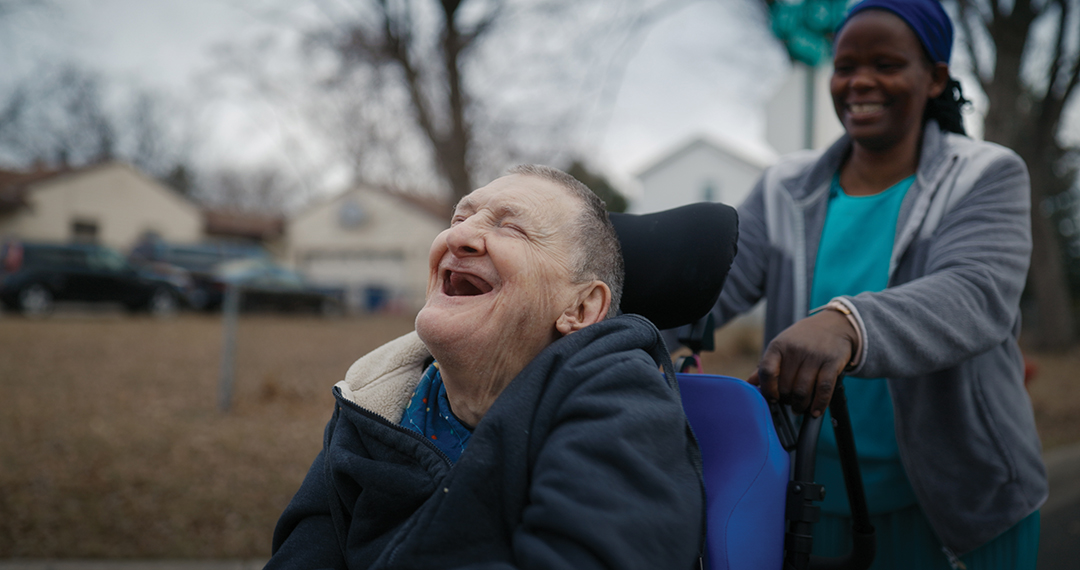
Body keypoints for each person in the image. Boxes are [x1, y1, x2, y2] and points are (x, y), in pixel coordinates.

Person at [705, 0, 1047, 567]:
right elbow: (712, 289)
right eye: (846, 66)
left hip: (958, 513)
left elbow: (976, 294)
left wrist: (846, 323)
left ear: (935, 76)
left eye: (886, 63)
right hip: (809, 504)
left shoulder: (985, 173)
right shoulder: (784, 187)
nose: (860, 81)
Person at [266, 164, 705, 570]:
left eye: (511, 227)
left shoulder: (622, 402)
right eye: (458, 220)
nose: (458, 238)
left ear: (582, 307)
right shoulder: (371, 396)